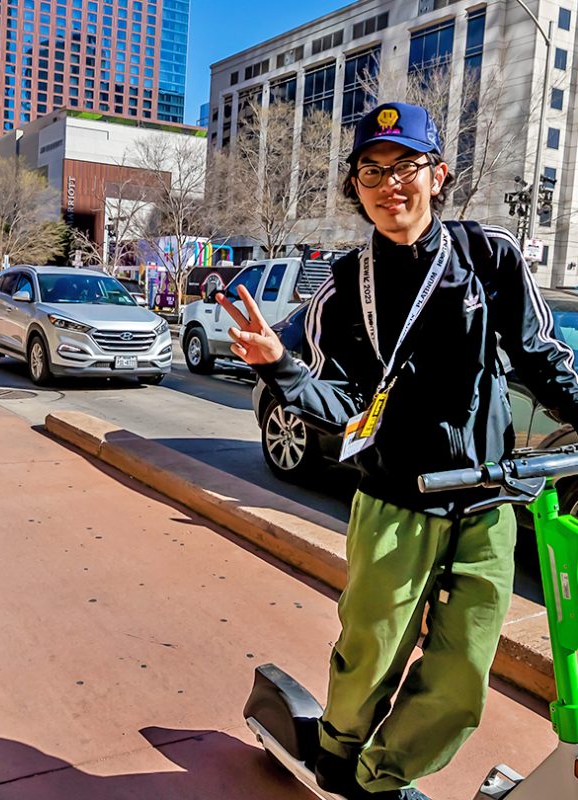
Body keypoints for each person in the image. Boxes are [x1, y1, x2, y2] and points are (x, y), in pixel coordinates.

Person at [217, 102, 578, 800]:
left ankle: (385, 778)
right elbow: (343, 409)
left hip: (487, 502)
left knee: (463, 675)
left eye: (405, 167)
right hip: (393, 505)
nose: (390, 185)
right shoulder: (346, 285)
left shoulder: (488, 255)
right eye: (372, 172)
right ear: (357, 188)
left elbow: (541, 359)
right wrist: (279, 368)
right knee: (367, 660)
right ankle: (338, 753)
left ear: (437, 175)